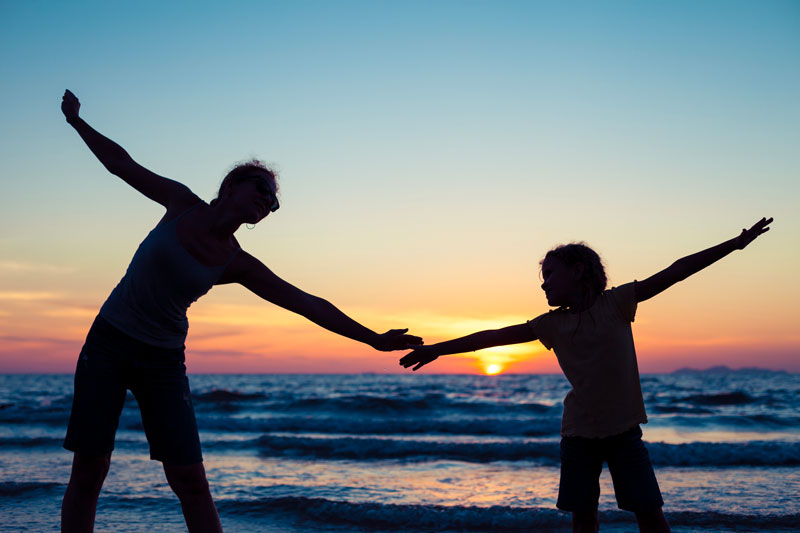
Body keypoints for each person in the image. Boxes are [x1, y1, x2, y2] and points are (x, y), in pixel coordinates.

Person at [59, 89, 423, 533]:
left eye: (274, 204)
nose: (268, 203)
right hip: (109, 343)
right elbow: (121, 164)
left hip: (163, 361)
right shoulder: (180, 203)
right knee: (90, 468)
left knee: (190, 479)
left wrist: (373, 338)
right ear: (231, 186)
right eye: (263, 191)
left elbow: (307, 304)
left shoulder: (236, 262)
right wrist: (77, 122)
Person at [400, 217, 772, 533]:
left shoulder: (617, 303)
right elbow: (492, 337)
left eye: (549, 275)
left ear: (578, 272)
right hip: (578, 434)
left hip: (624, 432)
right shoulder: (552, 324)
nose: (543, 284)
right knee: (583, 518)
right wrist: (437, 348)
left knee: (649, 515)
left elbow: (676, 271)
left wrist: (735, 244)